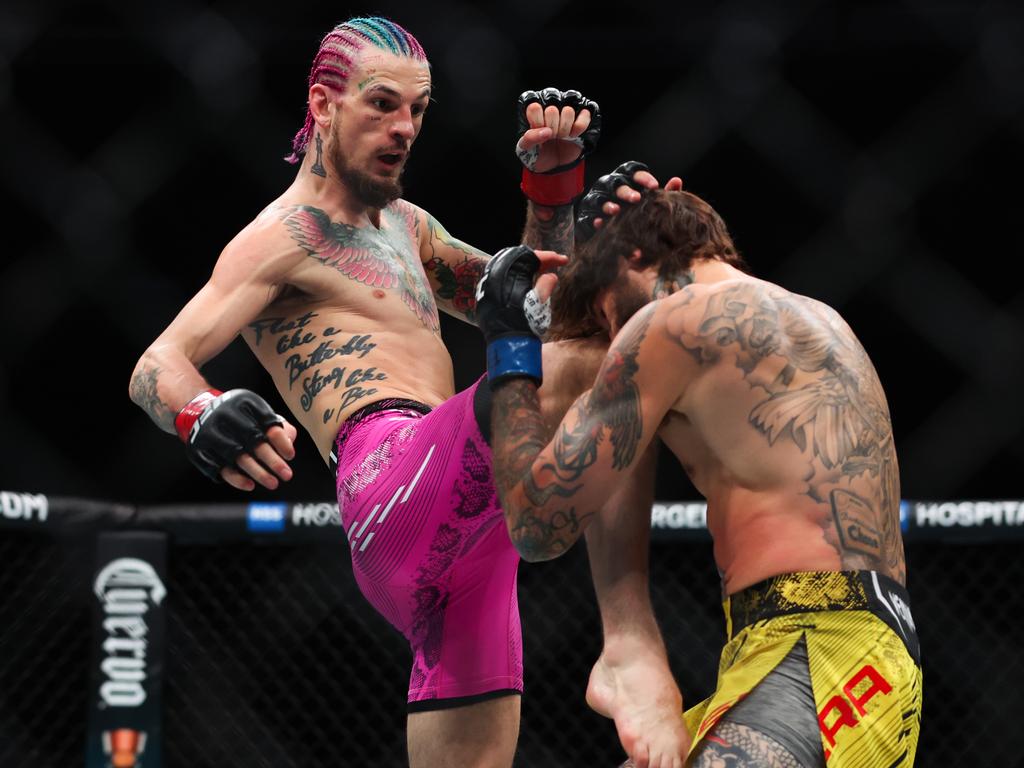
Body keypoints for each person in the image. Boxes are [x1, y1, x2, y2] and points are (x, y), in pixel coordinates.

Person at [128, 16, 686, 768]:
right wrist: (203, 410)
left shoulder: (409, 229)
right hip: (392, 477)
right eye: (382, 104)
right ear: (324, 105)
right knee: (626, 351)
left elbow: (536, 310)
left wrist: (553, 193)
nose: (404, 128)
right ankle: (629, 641)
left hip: (474, 531)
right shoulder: (282, 235)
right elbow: (156, 363)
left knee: (607, 331)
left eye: (417, 111)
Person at [478, 174, 924, 767]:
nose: (614, 343)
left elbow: (538, 526)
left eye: (610, 318)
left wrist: (508, 349)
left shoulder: (670, 322)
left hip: (813, 654)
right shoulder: (820, 318)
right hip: (860, 651)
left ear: (634, 257)